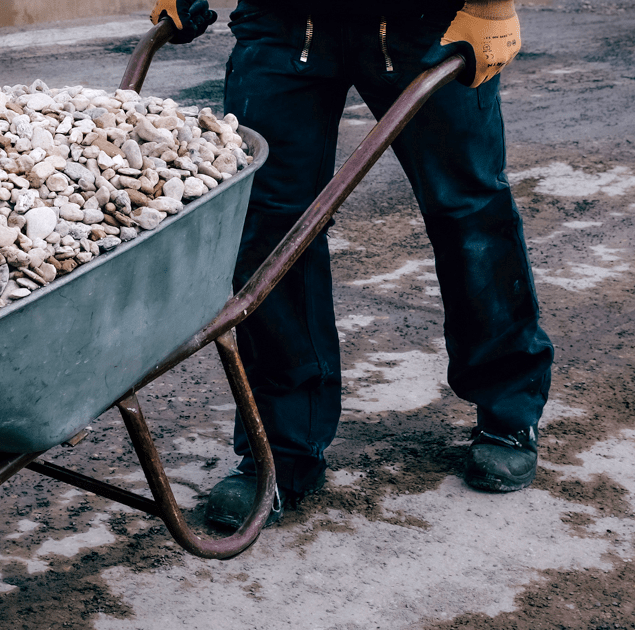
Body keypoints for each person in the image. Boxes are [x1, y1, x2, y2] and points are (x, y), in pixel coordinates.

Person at [149, 0, 554, 529]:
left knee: (468, 214)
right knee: (269, 227)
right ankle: (281, 451)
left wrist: (490, 5)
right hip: (284, 20)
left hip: (429, 21)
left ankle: (509, 414)